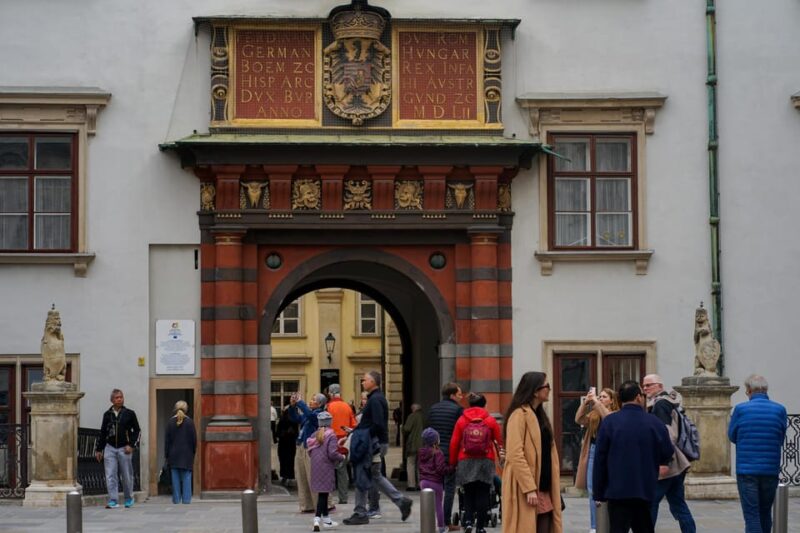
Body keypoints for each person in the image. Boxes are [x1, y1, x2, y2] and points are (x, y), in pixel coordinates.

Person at [593, 380, 673, 533]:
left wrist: (599, 491)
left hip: (617, 490)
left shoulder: (610, 422)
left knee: (617, 528)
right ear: (638, 397)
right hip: (644, 488)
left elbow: (600, 459)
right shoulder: (654, 422)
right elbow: (667, 452)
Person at [343, 370, 413, 525]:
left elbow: (377, 424)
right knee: (375, 476)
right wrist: (353, 433)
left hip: (370, 443)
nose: (362, 382)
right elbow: (371, 424)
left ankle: (361, 512)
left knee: (362, 474)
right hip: (374, 442)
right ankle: (401, 501)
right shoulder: (376, 398)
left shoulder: (375, 400)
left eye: (365, 380)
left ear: (373, 382)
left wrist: (361, 436)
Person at [502, 372, 562, 533]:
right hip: (526, 486)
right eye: (547, 386)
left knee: (545, 525)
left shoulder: (540, 416)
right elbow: (515, 454)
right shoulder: (518, 415)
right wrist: (529, 487)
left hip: (542, 485)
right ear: (535, 391)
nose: (549, 389)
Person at [728, 374, 788, 533]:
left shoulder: (740, 409)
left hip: (747, 470)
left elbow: (732, 435)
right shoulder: (780, 410)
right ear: (766, 389)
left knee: (752, 515)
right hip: (770, 469)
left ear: (748, 390)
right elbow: (780, 437)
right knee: (765, 512)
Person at [642, 374, 696, 532]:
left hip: (667, 464)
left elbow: (666, 435)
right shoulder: (669, 402)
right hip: (677, 463)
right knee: (678, 504)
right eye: (644, 386)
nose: (645, 388)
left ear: (659, 386)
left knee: (650, 503)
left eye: (649, 385)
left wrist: (663, 462)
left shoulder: (661, 405)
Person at [449, 393, 503, 533]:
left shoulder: (462, 420)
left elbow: (454, 443)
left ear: (470, 405)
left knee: (468, 492)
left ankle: (467, 522)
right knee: (483, 493)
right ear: (485, 405)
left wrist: (453, 462)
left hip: (465, 460)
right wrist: (503, 458)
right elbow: (499, 442)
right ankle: (480, 527)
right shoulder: (490, 421)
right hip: (485, 460)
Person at [575, 387, 619, 533]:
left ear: (612, 400)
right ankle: (594, 526)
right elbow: (579, 419)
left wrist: (596, 403)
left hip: (611, 453)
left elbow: (609, 419)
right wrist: (585, 403)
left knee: (610, 488)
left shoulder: (616, 414)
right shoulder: (594, 415)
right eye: (599, 396)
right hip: (594, 450)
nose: (600, 399)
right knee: (592, 489)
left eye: (604, 397)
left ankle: (611, 523)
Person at [95, 389, 140, 509]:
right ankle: (113, 500)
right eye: (117, 397)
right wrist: (99, 449)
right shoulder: (107, 415)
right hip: (110, 448)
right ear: (112, 400)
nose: (119, 399)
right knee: (110, 475)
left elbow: (137, 431)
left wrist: (131, 445)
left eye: (121, 397)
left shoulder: (130, 413)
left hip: (124, 448)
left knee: (126, 474)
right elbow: (103, 432)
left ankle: (128, 498)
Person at [428, 382, 464, 530]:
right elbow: (460, 433)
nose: (461, 397)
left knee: (435, 487)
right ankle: (446, 521)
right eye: (459, 394)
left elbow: (428, 431)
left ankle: (431, 519)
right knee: (449, 489)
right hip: (449, 454)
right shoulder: (458, 410)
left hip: (434, 454)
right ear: (452, 395)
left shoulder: (433, 409)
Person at [289, 392, 327, 513]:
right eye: (311, 399)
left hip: (312, 448)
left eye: (313, 399)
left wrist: (300, 403)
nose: (310, 401)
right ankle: (307, 504)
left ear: (320, 403)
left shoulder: (320, 414)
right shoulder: (309, 413)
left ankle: (323, 504)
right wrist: (293, 406)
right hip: (302, 445)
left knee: (313, 477)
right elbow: (296, 418)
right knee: (302, 477)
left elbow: (311, 417)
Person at [308, 411, 345, 531]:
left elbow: (310, 451)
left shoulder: (315, 434)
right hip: (326, 467)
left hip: (316, 466)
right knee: (323, 495)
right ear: (330, 422)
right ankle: (317, 519)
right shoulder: (331, 435)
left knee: (322, 492)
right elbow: (332, 453)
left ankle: (327, 520)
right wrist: (342, 457)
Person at [326, 383, 357, 505]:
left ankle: (328, 499)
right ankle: (343, 497)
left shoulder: (328, 407)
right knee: (342, 470)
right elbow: (353, 425)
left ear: (331, 393)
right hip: (344, 442)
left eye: (329, 392)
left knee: (327, 470)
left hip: (331, 442)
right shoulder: (347, 407)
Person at [164, 400, 196, 504]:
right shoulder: (190, 422)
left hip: (173, 455)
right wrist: (193, 453)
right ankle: (186, 500)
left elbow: (167, 441)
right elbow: (194, 440)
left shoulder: (170, 422)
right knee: (186, 478)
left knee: (175, 479)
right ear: (186, 409)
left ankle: (176, 500)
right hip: (187, 455)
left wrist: (166, 455)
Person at [419, 427, 450, 533]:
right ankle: (441, 527)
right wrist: (450, 468)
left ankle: (427, 526)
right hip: (435, 482)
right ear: (436, 440)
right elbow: (440, 469)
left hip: (423, 481)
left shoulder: (421, 452)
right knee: (438, 505)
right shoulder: (438, 453)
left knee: (426, 504)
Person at [403, 403, 425, 491]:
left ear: (413, 409)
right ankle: (421, 484)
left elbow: (406, 429)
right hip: (423, 444)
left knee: (411, 464)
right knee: (420, 465)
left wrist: (403, 430)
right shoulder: (424, 417)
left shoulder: (412, 416)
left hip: (413, 444)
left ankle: (411, 485)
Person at [277, 405, 299, 486]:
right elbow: (296, 433)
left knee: (284, 460)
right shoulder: (293, 420)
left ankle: (285, 476)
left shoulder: (283, 419)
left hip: (284, 443)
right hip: (290, 443)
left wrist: (284, 433)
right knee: (289, 460)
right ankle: (288, 476)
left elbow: (278, 432)